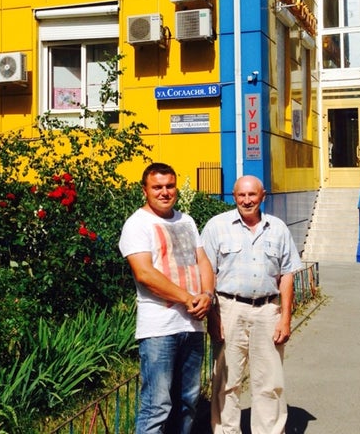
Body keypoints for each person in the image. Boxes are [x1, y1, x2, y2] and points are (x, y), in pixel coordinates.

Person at [201, 175, 302, 434]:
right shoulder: (216, 226)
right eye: (241, 195)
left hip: (268, 311)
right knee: (226, 381)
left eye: (252, 195)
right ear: (234, 196)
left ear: (262, 196)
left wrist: (285, 318)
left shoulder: (278, 228)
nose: (247, 200)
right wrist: (212, 316)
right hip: (229, 309)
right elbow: (207, 274)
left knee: (269, 382)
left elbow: (287, 275)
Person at [119, 162, 214, 434]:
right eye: (157, 187)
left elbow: (203, 261)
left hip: (192, 325)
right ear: (145, 190)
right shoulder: (137, 224)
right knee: (157, 405)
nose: (164, 192)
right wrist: (188, 299)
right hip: (160, 328)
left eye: (170, 186)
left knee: (188, 401)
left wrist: (207, 295)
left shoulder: (186, 221)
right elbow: (144, 273)